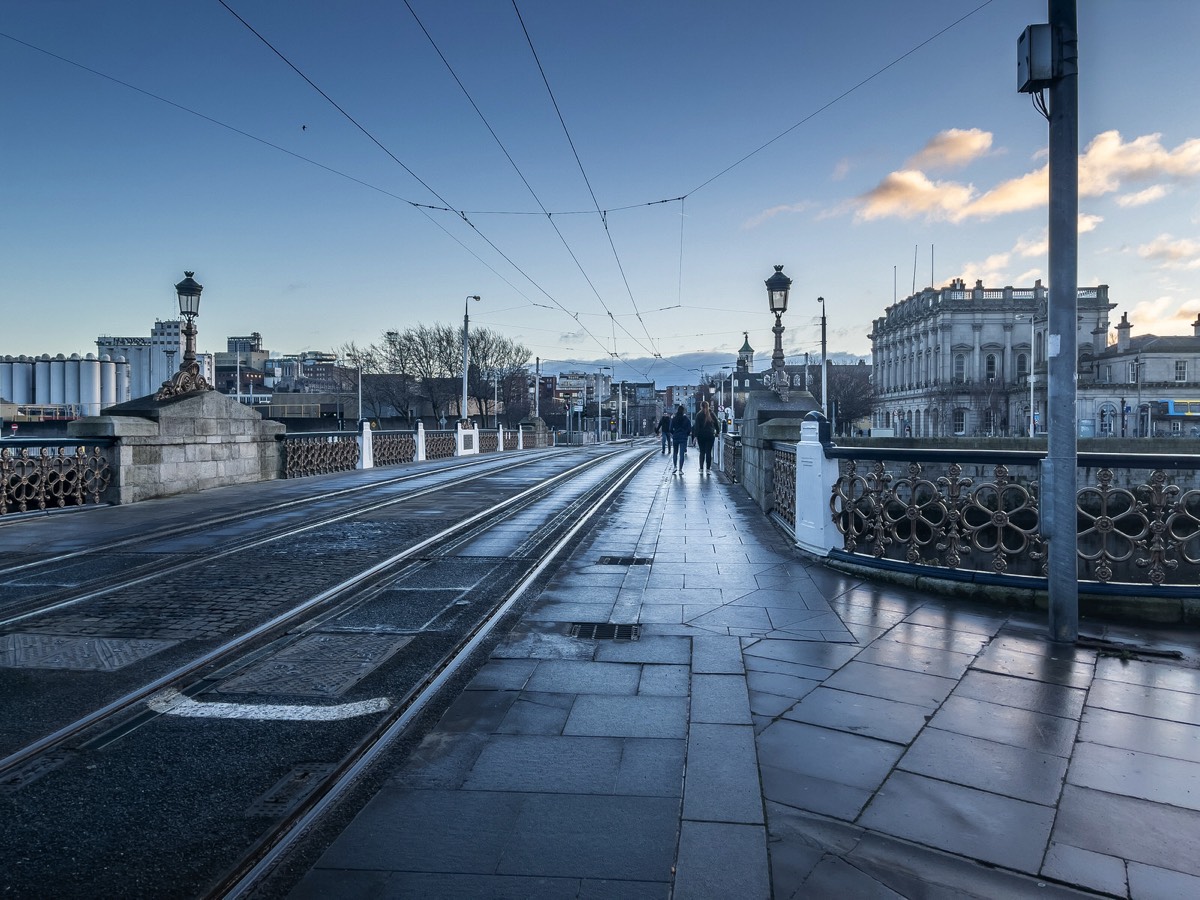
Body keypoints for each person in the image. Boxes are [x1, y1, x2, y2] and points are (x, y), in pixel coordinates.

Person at [693, 400, 718, 473]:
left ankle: (701, 468)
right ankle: (708, 469)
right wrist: (718, 432)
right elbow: (716, 423)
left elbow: (696, 427)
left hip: (701, 436)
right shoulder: (711, 414)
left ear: (701, 406)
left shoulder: (698, 415)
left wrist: (695, 436)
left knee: (702, 452)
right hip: (710, 435)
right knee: (708, 452)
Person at [669, 404, 691, 473]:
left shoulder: (674, 418)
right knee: (682, 454)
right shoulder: (686, 419)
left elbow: (670, 429)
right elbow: (689, 429)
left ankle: (675, 466)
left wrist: (674, 433)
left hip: (675, 437)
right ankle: (680, 469)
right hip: (683, 438)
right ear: (683, 411)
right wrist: (686, 434)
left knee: (675, 452)